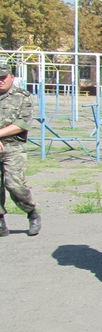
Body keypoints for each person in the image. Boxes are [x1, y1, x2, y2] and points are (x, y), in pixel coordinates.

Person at [0, 60, 40, 237]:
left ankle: (31, 212)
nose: (0, 81)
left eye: (3, 77)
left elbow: (22, 124)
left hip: (13, 147)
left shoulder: (22, 97)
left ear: (11, 77)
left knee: (14, 185)